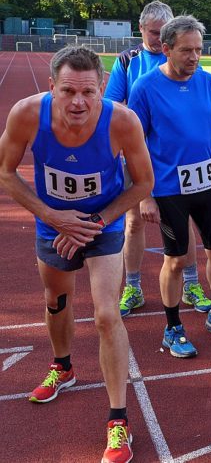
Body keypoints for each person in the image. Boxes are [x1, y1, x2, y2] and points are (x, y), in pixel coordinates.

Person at [0, 45, 154, 462]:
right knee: (56, 301)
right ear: (52, 87)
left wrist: (96, 222)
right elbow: (4, 171)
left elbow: (142, 185)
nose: (79, 102)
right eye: (68, 91)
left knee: (107, 313)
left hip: (104, 221)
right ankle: (63, 366)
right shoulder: (28, 114)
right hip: (52, 222)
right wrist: (55, 217)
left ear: (102, 88)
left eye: (89, 92)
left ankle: (118, 420)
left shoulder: (122, 121)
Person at [128, 15, 211, 357]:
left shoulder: (208, 82)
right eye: (186, 50)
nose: (194, 57)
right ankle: (173, 327)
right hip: (167, 189)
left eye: (199, 50)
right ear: (166, 49)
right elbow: (134, 144)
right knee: (177, 260)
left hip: (207, 184)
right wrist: (146, 195)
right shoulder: (145, 88)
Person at [105, 1, 210, 317]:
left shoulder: (188, 60)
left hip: (180, 160)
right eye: (154, 32)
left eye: (163, 31)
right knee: (135, 221)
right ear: (142, 30)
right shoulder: (128, 61)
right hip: (141, 157)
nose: (158, 37)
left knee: (185, 221)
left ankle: (192, 284)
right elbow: (111, 105)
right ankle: (133, 288)